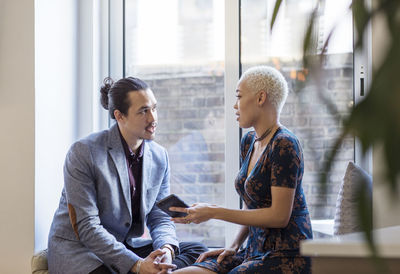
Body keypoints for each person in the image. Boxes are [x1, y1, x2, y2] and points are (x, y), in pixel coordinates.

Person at [48, 77, 207, 274]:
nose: (153, 118)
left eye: (154, 108)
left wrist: (166, 249)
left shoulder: (159, 156)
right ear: (120, 116)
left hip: (124, 244)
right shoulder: (84, 152)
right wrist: (137, 265)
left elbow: (159, 217)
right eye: (143, 111)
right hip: (82, 250)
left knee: (197, 251)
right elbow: (87, 226)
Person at [170, 66, 313, 274]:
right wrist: (234, 245)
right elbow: (252, 205)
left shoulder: (284, 144)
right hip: (252, 250)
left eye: (239, 96)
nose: (235, 106)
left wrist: (214, 212)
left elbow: (279, 216)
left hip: (286, 254)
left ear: (260, 98)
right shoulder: (249, 141)